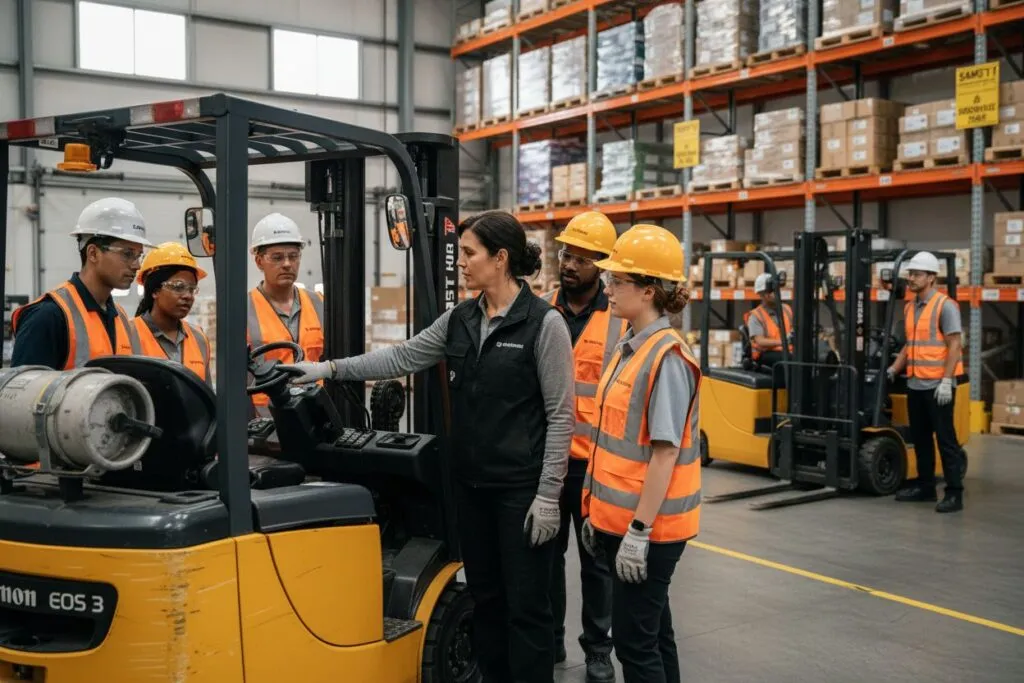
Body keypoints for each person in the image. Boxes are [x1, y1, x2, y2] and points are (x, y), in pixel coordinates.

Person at [283, 210, 575, 683]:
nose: (461, 262)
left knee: (527, 611)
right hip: (471, 490)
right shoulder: (460, 319)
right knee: (486, 602)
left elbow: (562, 415)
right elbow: (401, 355)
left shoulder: (544, 325)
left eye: (469, 253)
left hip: (520, 493)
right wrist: (328, 370)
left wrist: (547, 495)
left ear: (500, 259)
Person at [579, 223, 701, 683]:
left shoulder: (666, 358)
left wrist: (638, 532)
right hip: (623, 521)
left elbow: (664, 456)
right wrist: (598, 514)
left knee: (634, 644)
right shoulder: (630, 347)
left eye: (618, 281)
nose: (608, 288)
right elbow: (610, 444)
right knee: (655, 634)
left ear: (648, 290)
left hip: (651, 528)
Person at [540, 211, 623, 683]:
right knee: (547, 559)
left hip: (595, 465)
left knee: (597, 565)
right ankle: (550, 639)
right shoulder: (541, 310)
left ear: (603, 264)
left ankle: (597, 649)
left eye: (581, 257)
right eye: (566, 253)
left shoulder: (618, 320)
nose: (569, 263)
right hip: (550, 461)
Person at [11, 197, 151, 370]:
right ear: (93, 253)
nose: (137, 265)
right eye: (127, 254)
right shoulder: (48, 316)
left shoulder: (120, 317)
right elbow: (23, 393)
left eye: (139, 256)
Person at [886, 251, 966, 513]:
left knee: (946, 440)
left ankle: (954, 493)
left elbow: (955, 344)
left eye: (917, 274)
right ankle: (926, 487)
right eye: (910, 274)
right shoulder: (910, 307)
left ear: (932, 278)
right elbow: (911, 344)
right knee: (920, 439)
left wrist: (946, 380)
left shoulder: (946, 306)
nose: (911, 278)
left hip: (937, 387)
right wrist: (894, 369)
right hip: (915, 384)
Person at [246, 212, 325, 414]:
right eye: (277, 257)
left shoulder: (319, 303)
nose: (287, 264)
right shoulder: (243, 308)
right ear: (258, 261)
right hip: (265, 421)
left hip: (316, 413)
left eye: (293, 256)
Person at [132, 242, 213, 386]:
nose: (188, 296)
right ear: (155, 290)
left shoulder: (199, 338)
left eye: (192, 289)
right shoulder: (128, 334)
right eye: (178, 287)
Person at [745, 272, 793, 368]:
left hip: (786, 350)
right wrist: (783, 342)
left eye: (775, 290)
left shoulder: (786, 309)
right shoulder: (755, 316)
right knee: (790, 359)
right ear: (761, 295)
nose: (774, 293)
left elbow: (793, 328)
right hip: (765, 354)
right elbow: (760, 341)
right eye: (770, 291)